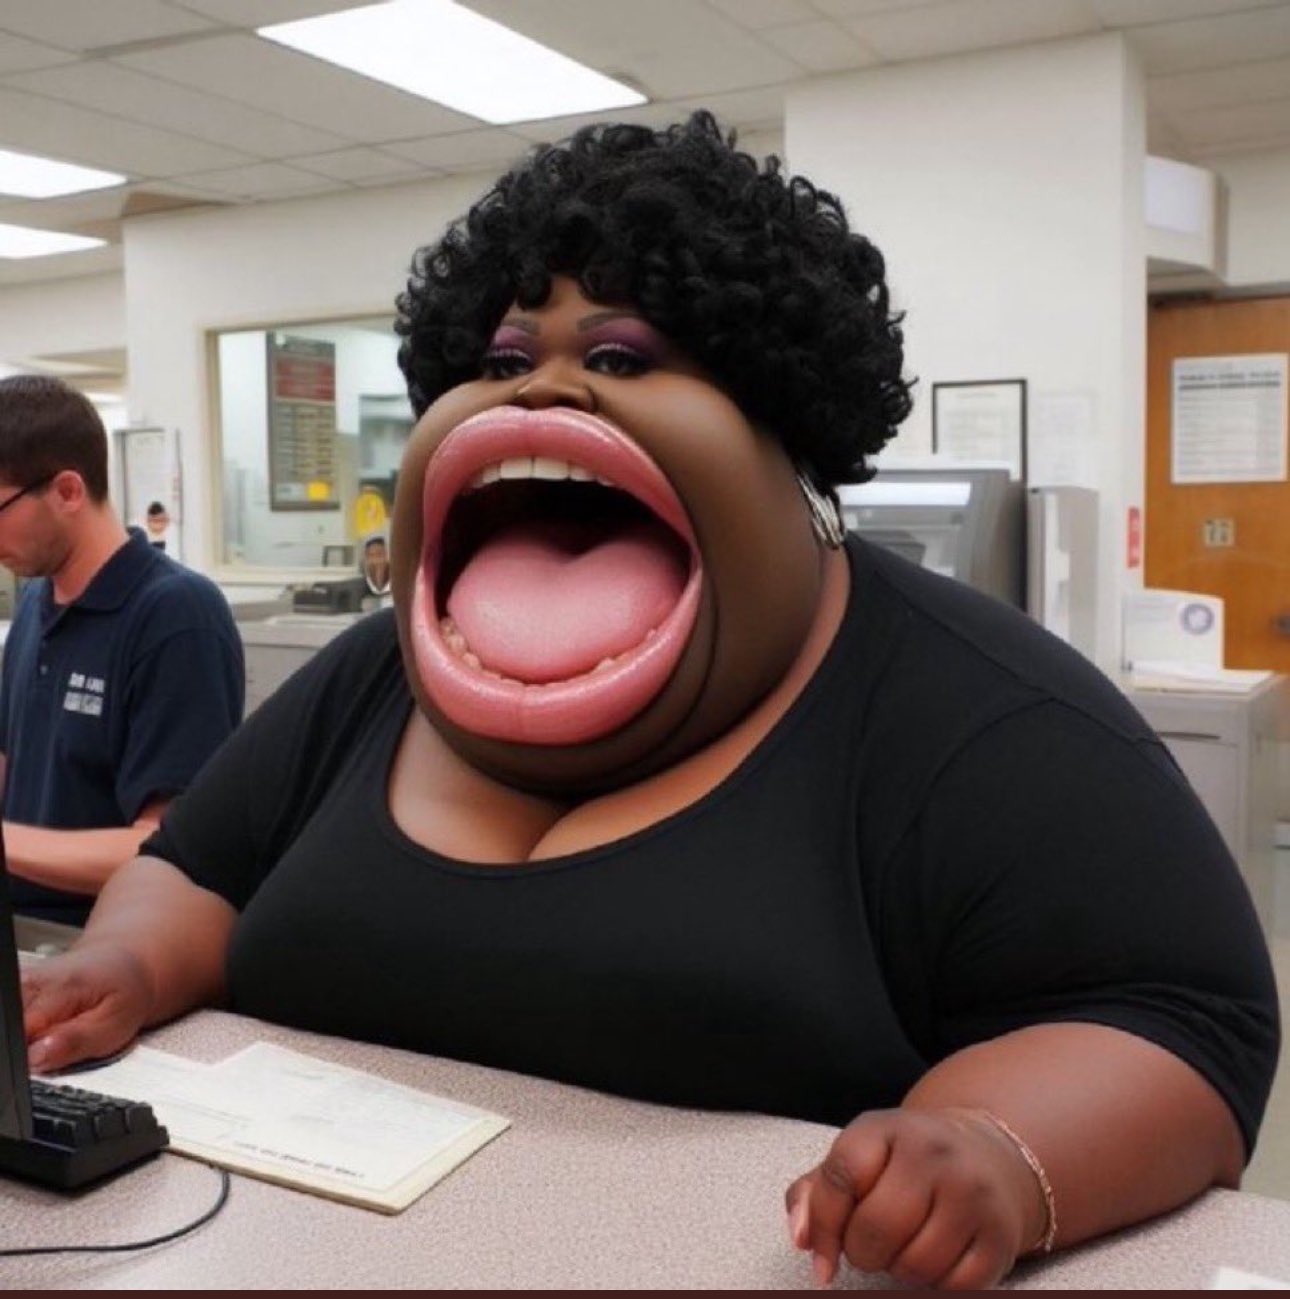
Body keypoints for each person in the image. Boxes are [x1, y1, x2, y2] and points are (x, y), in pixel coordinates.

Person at [21, 116, 1278, 1289]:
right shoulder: (372, 677)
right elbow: (198, 868)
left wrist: (996, 1150)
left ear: (785, 431)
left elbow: (1175, 1018)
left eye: (622, 357)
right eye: (503, 361)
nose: (543, 393)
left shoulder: (981, 715)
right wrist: (125, 962)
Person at [0, 375, 245, 928]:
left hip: (101, 939)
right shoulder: (36, 600)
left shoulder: (177, 616)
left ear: (68, 491)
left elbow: (165, 849)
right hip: (23, 929)